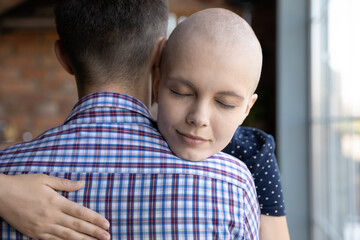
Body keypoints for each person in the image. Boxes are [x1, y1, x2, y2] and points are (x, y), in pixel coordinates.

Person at [0, 1, 260, 239]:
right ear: (160, 55)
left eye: (224, 103)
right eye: (181, 92)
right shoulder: (230, 185)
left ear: (63, 56)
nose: (198, 118)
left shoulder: (7, 174)